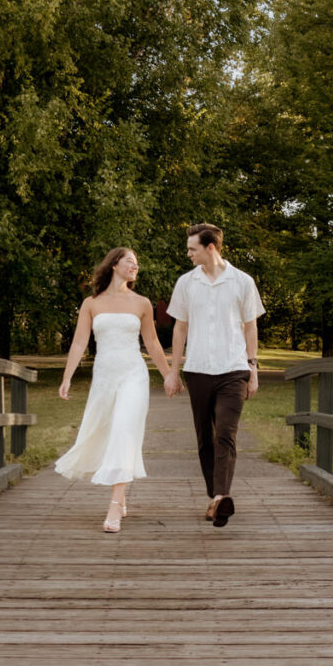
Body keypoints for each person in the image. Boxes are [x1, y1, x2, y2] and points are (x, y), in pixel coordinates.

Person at [55, 247, 175, 533]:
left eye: (137, 262)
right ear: (114, 265)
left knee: (123, 429)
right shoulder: (91, 303)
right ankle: (119, 499)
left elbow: (153, 344)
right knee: (108, 432)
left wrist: (169, 375)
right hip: (105, 376)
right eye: (130, 261)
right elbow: (79, 342)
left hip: (134, 374)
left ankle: (114, 505)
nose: (135, 266)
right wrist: (67, 377)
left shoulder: (142, 303)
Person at [163, 223, 265, 527]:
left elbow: (250, 326)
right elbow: (180, 327)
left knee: (225, 434)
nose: (188, 254)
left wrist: (253, 369)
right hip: (198, 371)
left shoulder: (243, 282)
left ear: (211, 248)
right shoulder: (186, 283)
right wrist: (174, 371)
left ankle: (221, 497)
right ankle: (215, 496)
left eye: (192, 248)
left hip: (234, 370)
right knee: (205, 440)